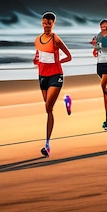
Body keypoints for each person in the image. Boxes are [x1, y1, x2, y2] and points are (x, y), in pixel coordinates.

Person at [33, 11, 72, 158]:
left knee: (48, 107)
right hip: (42, 76)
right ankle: (65, 100)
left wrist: (57, 62)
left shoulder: (55, 39)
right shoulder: (37, 39)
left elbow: (68, 56)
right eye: (44, 22)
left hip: (56, 75)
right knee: (49, 109)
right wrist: (37, 60)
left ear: (53, 24)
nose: (46, 25)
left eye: (49, 23)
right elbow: (37, 55)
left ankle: (47, 145)